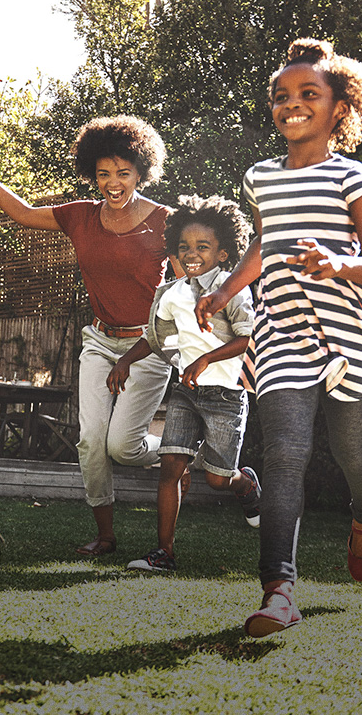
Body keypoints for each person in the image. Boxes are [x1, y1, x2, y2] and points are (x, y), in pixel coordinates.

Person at [195, 38, 362, 637]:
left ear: (339, 108)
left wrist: (337, 266)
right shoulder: (261, 176)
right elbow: (265, 244)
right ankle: (279, 590)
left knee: (351, 454)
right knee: (284, 455)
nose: (291, 105)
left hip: (347, 327)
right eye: (281, 97)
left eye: (307, 94)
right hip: (285, 326)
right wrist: (226, 292)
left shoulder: (352, 175)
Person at [0, 116, 174, 557]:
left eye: (123, 173)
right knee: (90, 439)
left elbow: (198, 278)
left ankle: (176, 450)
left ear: (141, 171)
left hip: (149, 346)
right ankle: (105, 534)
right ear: (91, 174)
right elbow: (21, 213)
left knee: (123, 446)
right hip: (100, 341)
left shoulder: (165, 222)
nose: (112, 183)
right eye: (103, 174)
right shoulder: (81, 216)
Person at [107, 194, 261, 573]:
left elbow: (249, 338)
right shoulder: (172, 293)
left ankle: (245, 484)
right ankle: (164, 553)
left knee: (217, 479)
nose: (192, 254)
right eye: (184, 247)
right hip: (186, 393)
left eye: (202, 247)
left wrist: (207, 358)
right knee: (171, 465)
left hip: (226, 396)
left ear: (223, 253)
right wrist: (126, 360)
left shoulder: (232, 288)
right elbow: (155, 337)